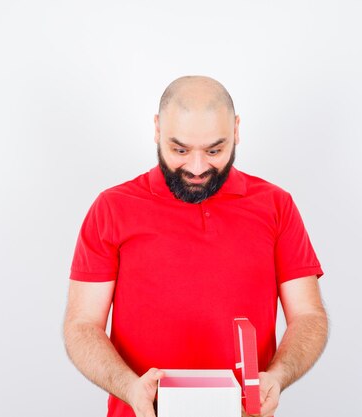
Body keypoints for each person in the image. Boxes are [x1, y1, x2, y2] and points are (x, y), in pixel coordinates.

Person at [63, 75, 328, 417]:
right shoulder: (112, 208)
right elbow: (82, 324)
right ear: (157, 130)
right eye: (180, 149)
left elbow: (308, 315)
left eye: (215, 150)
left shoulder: (277, 206)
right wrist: (128, 386)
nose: (198, 167)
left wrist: (277, 376)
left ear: (236, 131)